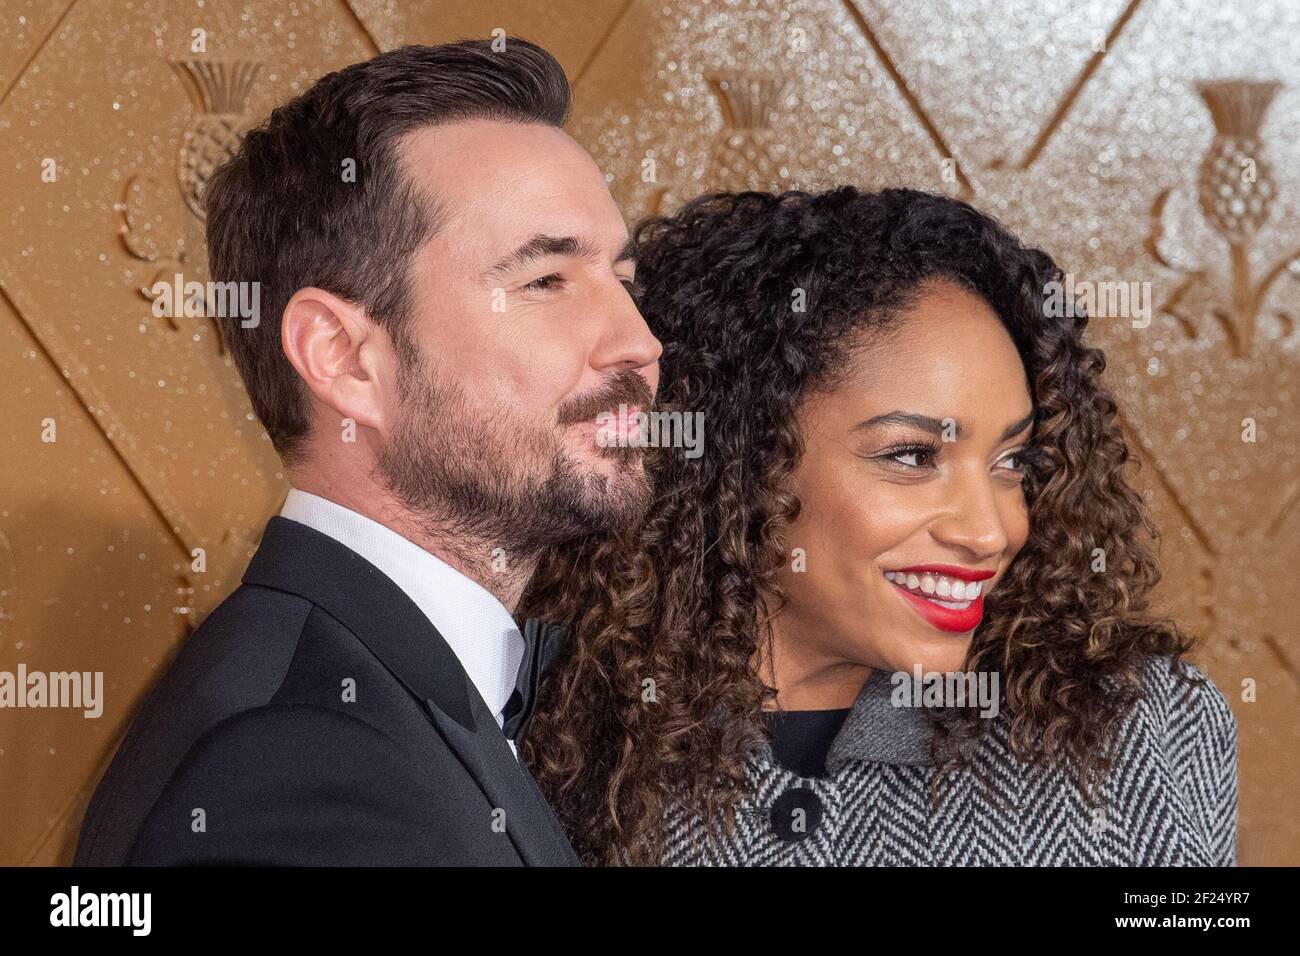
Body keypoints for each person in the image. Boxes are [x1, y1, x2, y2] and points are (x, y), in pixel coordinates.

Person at [520, 187, 1238, 866]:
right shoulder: (536, 739)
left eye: (1013, 460)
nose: (990, 531)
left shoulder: (1136, 728)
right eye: (913, 455)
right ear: (739, 464)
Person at [74, 38, 659, 866]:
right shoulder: (292, 767)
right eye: (545, 283)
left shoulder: (400, 694)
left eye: (625, 283)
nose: (639, 343)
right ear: (343, 358)